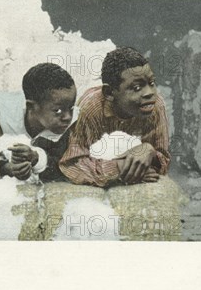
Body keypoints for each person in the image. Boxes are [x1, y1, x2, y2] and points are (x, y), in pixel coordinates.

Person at [59, 47, 170, 187]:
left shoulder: (154, 105)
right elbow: (72, 163)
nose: (149, 93)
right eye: (136, 88)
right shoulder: (90, 107)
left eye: (152, 83)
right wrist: (119, 167)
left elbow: (163, 159)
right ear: (110, 92)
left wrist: (150, 151)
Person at [0, 63, 77, 181]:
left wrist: (36, 158)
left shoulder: (74, 124)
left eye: (71, 108)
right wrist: (6, 168)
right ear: (31, 106)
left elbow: (68, 164)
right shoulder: (2, 116)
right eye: (58, 110)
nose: (67, 117)